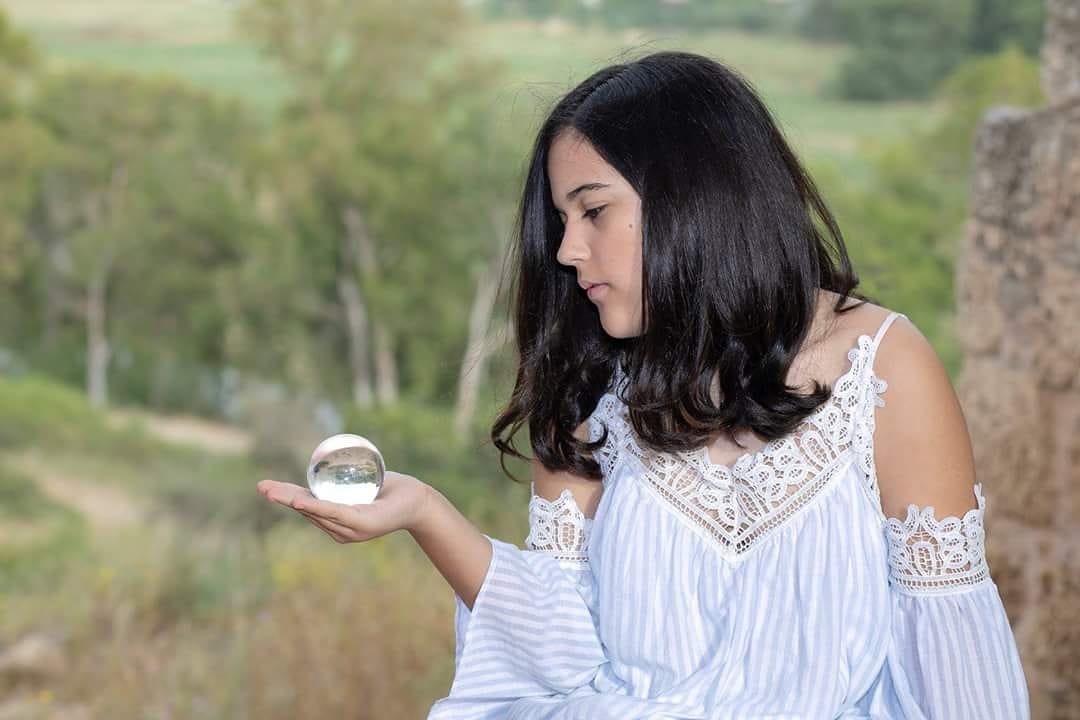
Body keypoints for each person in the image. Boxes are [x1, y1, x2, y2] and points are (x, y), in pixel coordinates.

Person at [257, 50, 1030, 719]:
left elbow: (955, 670)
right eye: (562, 220)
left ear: (696, 196)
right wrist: (426, 513)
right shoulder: (590, 386)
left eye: (593, 211)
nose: (567, 250)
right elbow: (558, 655)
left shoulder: (884, 369)